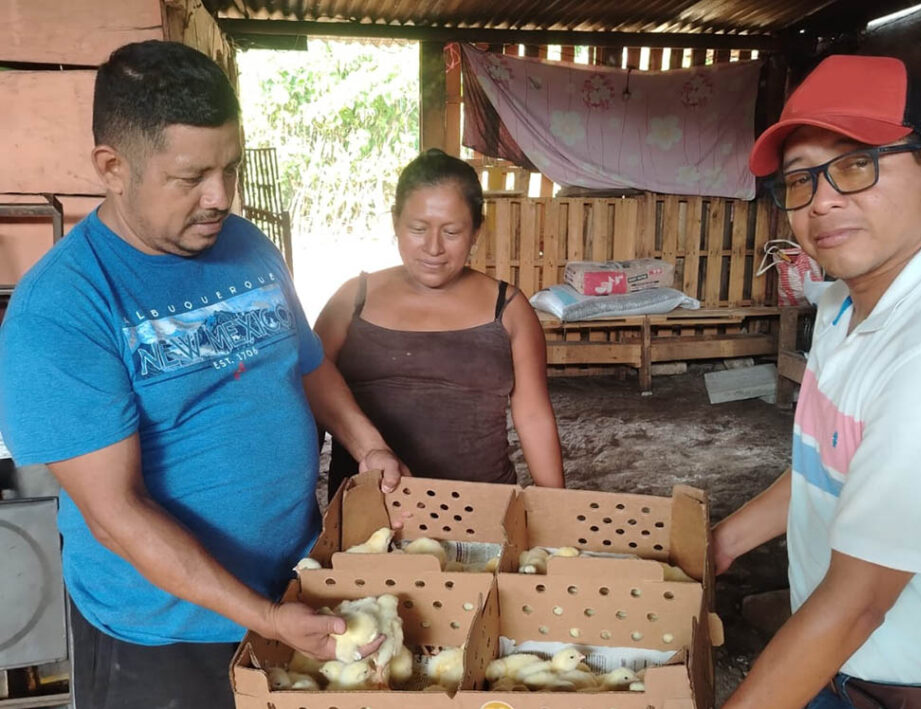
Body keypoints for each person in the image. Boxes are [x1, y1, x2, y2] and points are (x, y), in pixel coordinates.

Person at [0, 41, 406, 709]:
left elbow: (305, 363)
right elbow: (116, 515)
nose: (219, 197)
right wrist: (265, 618)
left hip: (292, 589)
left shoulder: (246, 247)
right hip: (164, 636)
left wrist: (369, 444)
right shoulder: (63, 309)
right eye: (191, 177)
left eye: (230, 168)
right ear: (112, 167)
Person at [714, 55, 921, 709]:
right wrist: (723, 541)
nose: (823, 199)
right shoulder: (844, 304)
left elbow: (858, 604)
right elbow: (824, 463)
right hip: (838, 661)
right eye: (800, 179)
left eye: (856, 164)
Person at [316, 149, 564, 497]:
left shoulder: (508, 308)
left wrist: (557, 508)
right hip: (368, 507)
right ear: (396, 222)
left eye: (452, 232)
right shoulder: (353, 299)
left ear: (476, 231)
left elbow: (533, 415)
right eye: (418, 229)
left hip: (481, 507)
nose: (433, 248)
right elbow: (310, 387)